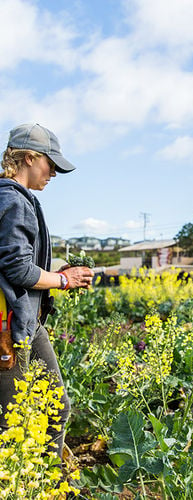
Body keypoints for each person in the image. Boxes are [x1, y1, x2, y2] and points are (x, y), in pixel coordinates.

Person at [0, 123, 94, 460]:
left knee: (54, 408)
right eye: (49, 164)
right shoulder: (12, 200)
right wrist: (65, 280)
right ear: (28, 157)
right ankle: (32, 486)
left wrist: (55, 276)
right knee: (17, 425)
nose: (53, 173)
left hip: (25, 323)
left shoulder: (12, 199)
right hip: (8, 328)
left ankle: (46, 483)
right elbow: (18, 269)